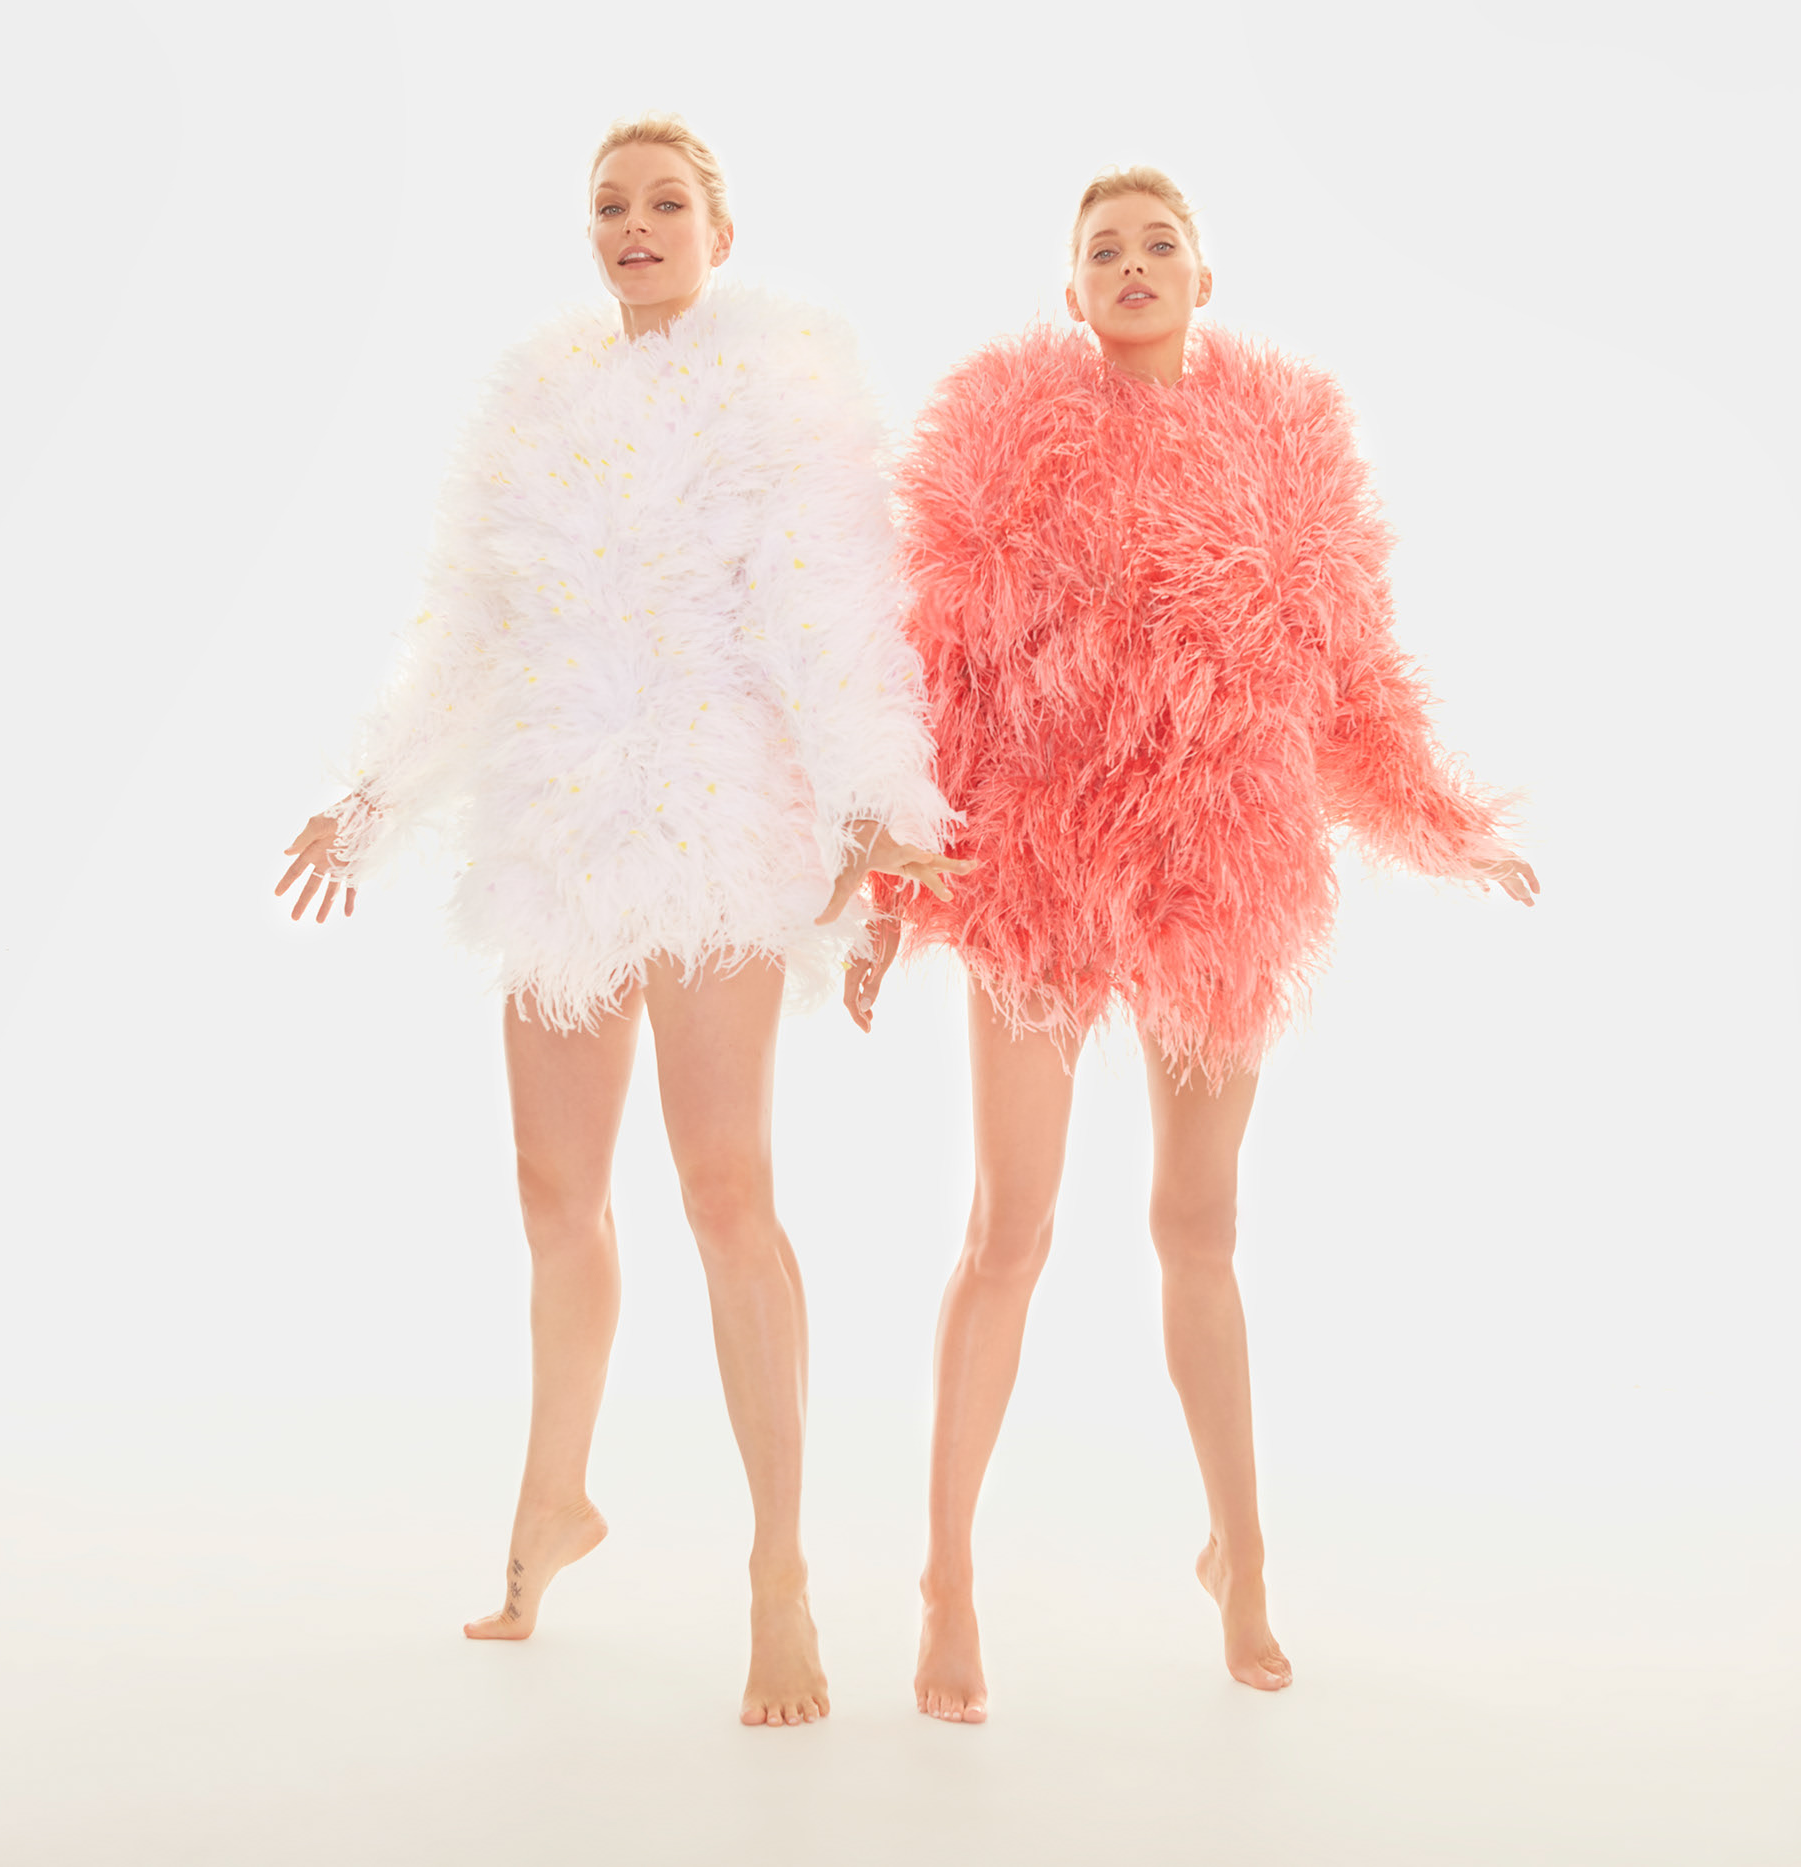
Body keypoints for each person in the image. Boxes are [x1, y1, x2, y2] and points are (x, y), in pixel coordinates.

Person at [274, 113, 964, 1727]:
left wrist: (877, 800)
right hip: (561, 832)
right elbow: (473, 624)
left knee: (726, 1192)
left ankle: (778, 1572)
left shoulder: (778, 386)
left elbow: (831, 608)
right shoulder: (537, 395)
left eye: (664, 203)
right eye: (608, 205)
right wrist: (373, 795)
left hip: (716, 824)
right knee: (553, 1193)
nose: (633, 226)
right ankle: (554, 1500)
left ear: (721, 228)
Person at [855, 166, 1536, 1723]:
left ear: (1203, 279)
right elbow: (937, 676)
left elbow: (1356, 682)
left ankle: (1243, 1554)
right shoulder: (1005, 439)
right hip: (1037, 868)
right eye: (1104, 248)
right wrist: (894, 896)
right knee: (1008, 1227)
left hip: (1218, 870)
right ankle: (946, 1577)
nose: (1134, 263)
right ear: (1071, 290)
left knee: (1198, 1227)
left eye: (1160, 243)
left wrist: (1449, 825)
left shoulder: (1287, 446)